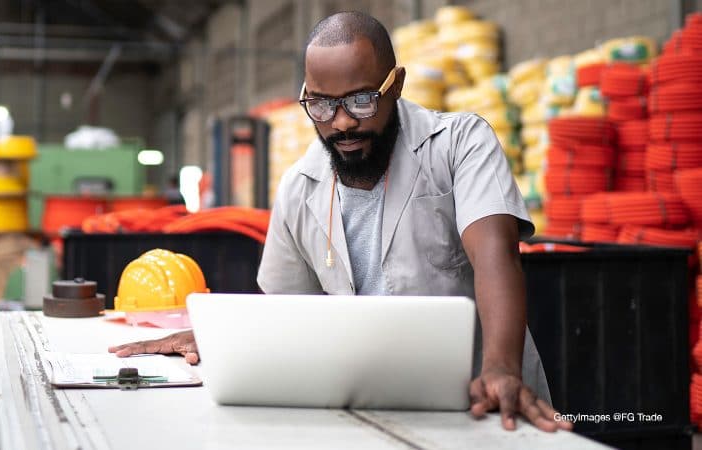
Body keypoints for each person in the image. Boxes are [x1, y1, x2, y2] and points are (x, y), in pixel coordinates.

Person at [110, 11, 572, 433]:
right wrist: (219, 338)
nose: (342, 123)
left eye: (361, 101)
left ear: (396, 85)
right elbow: (288, 314)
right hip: (369, 414)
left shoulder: (459, 144)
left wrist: (501, 369)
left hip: (484, 405)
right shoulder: (299, 188)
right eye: (322, 105)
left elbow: (496, 258)